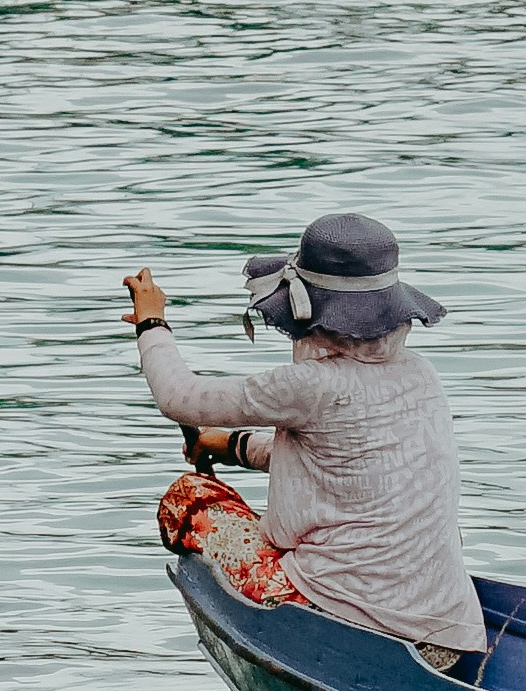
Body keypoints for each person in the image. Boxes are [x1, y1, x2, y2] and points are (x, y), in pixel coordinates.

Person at [131, 213, 485, 667]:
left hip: (355, 621)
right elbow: (337, 464)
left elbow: (180, 397)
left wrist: (151, 323)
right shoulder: (419, 375)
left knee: (190, 496)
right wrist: (227, 446)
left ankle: (288, 632)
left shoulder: (309, 385)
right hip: (445, 630)